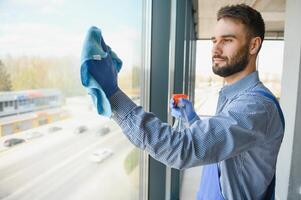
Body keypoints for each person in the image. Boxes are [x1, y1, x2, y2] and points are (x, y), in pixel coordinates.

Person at [86, 4, 284, 200]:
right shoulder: (233, 96)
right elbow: (220, 146)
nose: (216, 48)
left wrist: (113, 96)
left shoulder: (256, 106)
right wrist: (191, 118)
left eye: (227, 40)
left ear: (253, 45)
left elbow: (182, 149)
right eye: (214, 40)